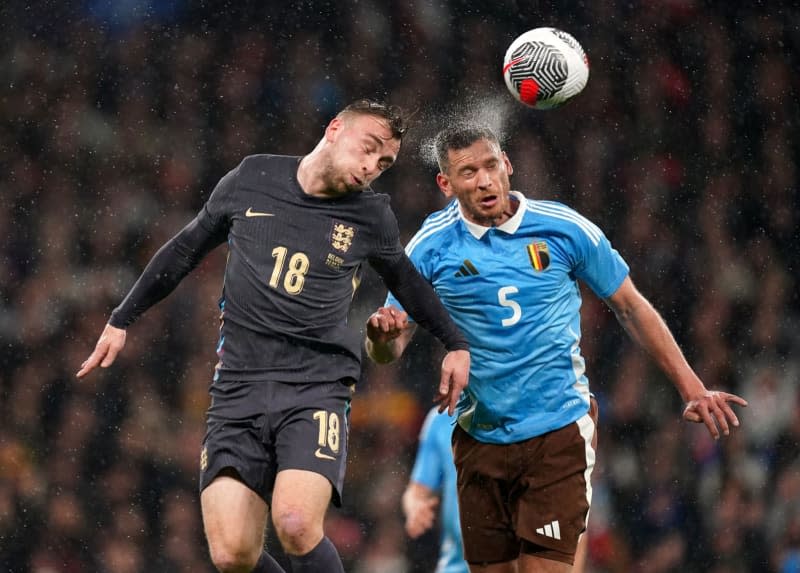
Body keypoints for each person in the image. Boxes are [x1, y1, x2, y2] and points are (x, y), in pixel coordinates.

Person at [77, 99, 471, 573]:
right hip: (237, 387)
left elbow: (408, 283)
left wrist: (455, 343)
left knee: (295, 522)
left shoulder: (370, 216)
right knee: (232, 554)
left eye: (383, 163)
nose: (371, 167)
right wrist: (122, 318)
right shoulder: (252, 178)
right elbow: (185, 248)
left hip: (315, 387)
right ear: (334, 129)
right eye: (368, 149)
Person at [365, 125, 747, 573]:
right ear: (446, 185)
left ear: (507, 165)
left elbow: (630, 306)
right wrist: (381, 337)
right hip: (480, 438)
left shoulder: (563, 227)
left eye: (491, 166)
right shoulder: (430, 246)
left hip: (558, 432)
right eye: (468, 173)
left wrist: (692, 388)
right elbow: (389, 349)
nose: (484, 181)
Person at [402, 407, 469, 573]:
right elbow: (416, 491)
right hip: (457, 564)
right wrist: (415, 507)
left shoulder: (531, 411)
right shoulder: (442, 419)